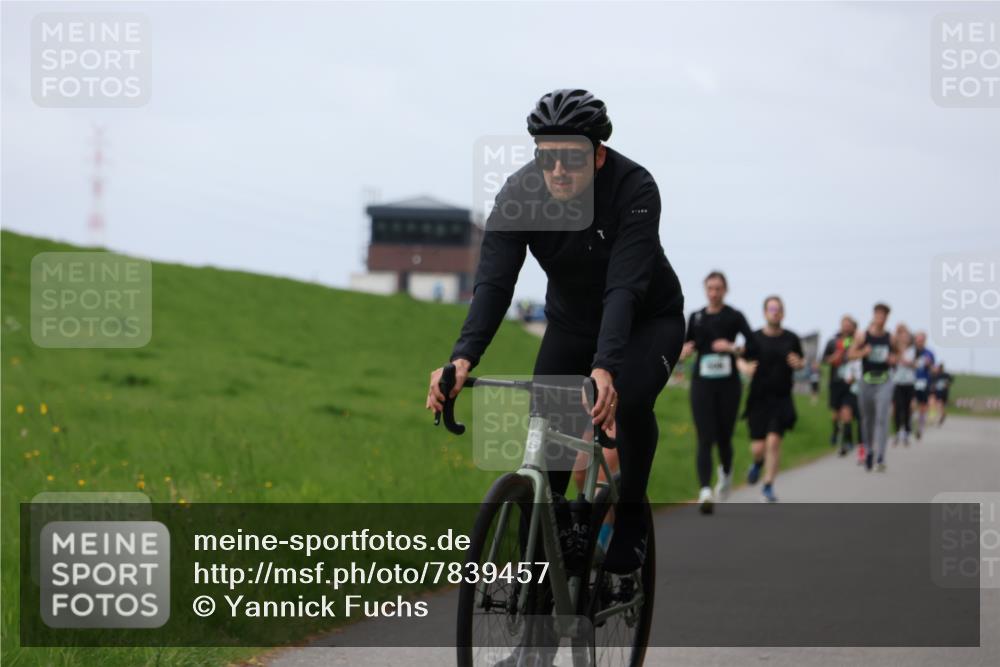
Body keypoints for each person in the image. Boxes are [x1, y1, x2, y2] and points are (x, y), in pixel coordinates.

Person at [426, 89, 685, 577]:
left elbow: (624, 288)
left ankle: (629, 518)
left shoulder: (634, 188)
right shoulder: (520, 193)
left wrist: (606, 366)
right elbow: (494, 283)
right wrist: (461, 359)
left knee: (626, 402)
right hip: (571, 325)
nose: (558, 171)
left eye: (571, 158)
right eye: (547, 159)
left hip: (648, 321)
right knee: (547, 464)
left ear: (598, 154)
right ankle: (539, 600)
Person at [679, 271, 754, 514]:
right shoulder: (696, 317)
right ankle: (704, 490)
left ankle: (727, 472)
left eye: (718, 288)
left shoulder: (734, 316)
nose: (714, 292)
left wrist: (731, 347)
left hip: (729, 384)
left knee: (724, 437)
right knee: (704, 436)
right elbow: (686, 345)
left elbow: (752, 345)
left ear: (725, 290)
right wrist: (685, 350)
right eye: (710, 288)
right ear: (705, 289)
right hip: (702, 383)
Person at [742, 296, 805, 502]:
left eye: (778, 309)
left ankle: (768, 485)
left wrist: (799, 363)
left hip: (781, 398)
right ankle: (757, 463)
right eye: (771, 309)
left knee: (774, 441)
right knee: (758, 447)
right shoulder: (754, 337)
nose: (775, 312)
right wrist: (745, 367)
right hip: (758, 398)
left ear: (783, 313)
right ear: (764, 312)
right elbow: (740, 358)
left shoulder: (792, 338)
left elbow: (801, 361)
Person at [849, 303, 896, 472]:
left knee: (882, 418)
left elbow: (898, 354)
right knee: (867, 419)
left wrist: (893, 359)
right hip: (866, 381)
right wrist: (863, 353)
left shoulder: (891, 338)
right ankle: (869, 450)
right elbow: (850, 354)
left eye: (884, 315)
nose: (881, 318)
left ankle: (881, 456)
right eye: (878, 314)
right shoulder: (863, 336)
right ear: (874, 315)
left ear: (887, 318)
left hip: (884, 381)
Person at [822, 316, 860, 455]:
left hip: (850, 383)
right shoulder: (833, 341)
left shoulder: (857, 341)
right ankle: (835, 431)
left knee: (847, 412)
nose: (846, 327)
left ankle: (848, 441)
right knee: (835, 414)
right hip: (836, 381)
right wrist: (835, 357)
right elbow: (824, 360)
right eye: (844, 324)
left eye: (849, 324)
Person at [891, 324, 916, 446]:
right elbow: (894, 361)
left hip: (909, 382)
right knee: (897, 407)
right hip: (897, 382)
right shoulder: (894, 350)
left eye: (906, 336)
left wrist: (901, 356)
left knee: (907, 408)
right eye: (901, 336)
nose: (904, 338)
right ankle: (896, 432)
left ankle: (906, 431)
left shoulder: (912, 350)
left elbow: (910, 362)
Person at [912, 332, 936, 439]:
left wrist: (929, 364)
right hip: (911, 381)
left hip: (924, 382)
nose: (919, 342)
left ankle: (920, 427)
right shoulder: (911, 351)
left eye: (921, 340)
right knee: (911, 403)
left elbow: (933, 369)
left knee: (922, 405)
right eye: (918, 340)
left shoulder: (929, 353)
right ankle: (909, 424)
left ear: (924, 341)